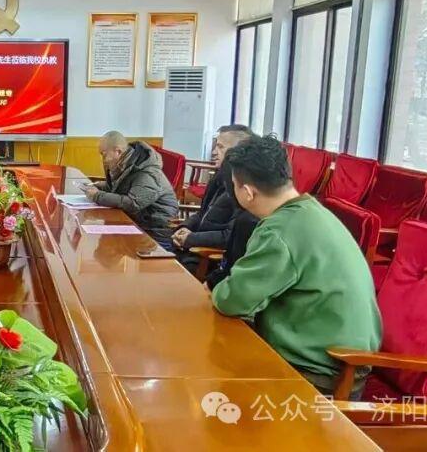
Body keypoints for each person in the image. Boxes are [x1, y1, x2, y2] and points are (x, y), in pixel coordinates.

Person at [211, 136, 382, 398]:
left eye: (234, 185)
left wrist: (218, 290)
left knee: (215, 377)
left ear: (247, 192)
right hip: (342, 360)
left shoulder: (279, 232)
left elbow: (232, 300)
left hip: (320, 373)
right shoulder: (311, 211)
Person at [173, 125, 253, 273]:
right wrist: (184, 228)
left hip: (206, 257)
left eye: (220, 147)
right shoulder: (218, 177)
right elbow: (201, 214)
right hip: (191, 247)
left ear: (239, 152)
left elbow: (229, 236)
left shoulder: (244, 189)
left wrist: (191, 239)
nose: (214, 152)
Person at [82, 131, 179, 247]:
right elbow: (116, 188)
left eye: (103, 154)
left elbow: (133, 203)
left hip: (155, 231)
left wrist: (97, 196)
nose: (103, 159)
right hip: (136, 221)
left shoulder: (147, 171)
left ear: (118, 151)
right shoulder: (124, 164)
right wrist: (97, 186)